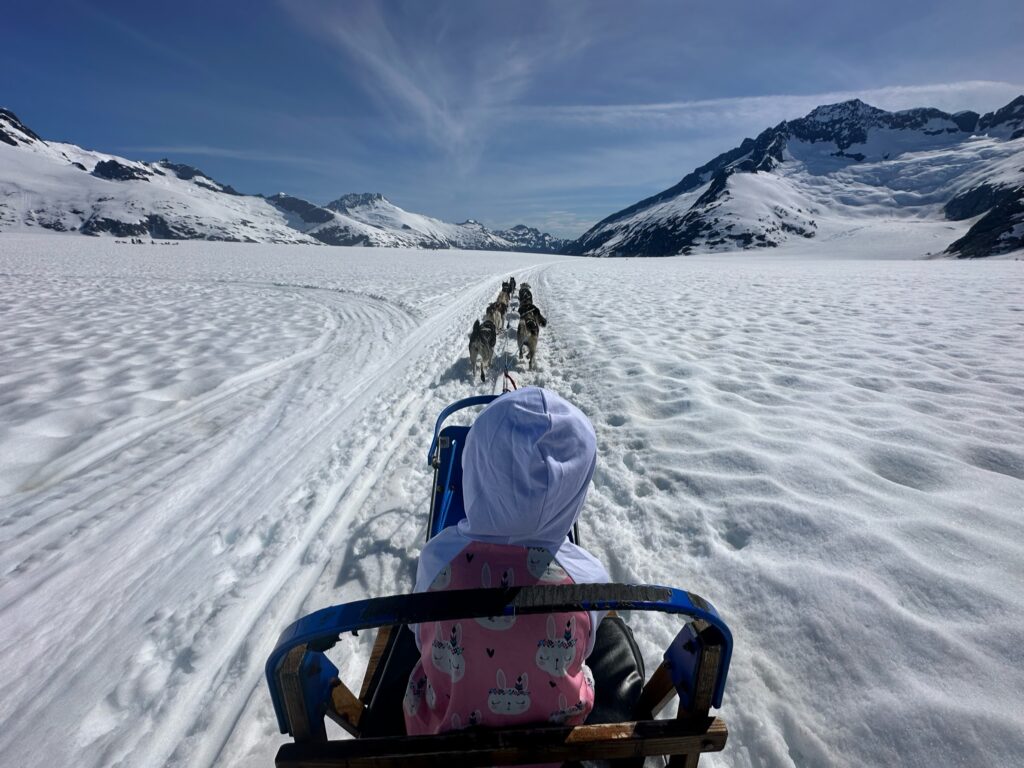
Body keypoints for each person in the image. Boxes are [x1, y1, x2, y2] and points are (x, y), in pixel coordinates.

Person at [404, 387, 610, 734]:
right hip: (554, 748)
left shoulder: (437, 558)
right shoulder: (588, 577)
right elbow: (583, 650)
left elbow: (418, 637)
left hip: (443, 741)